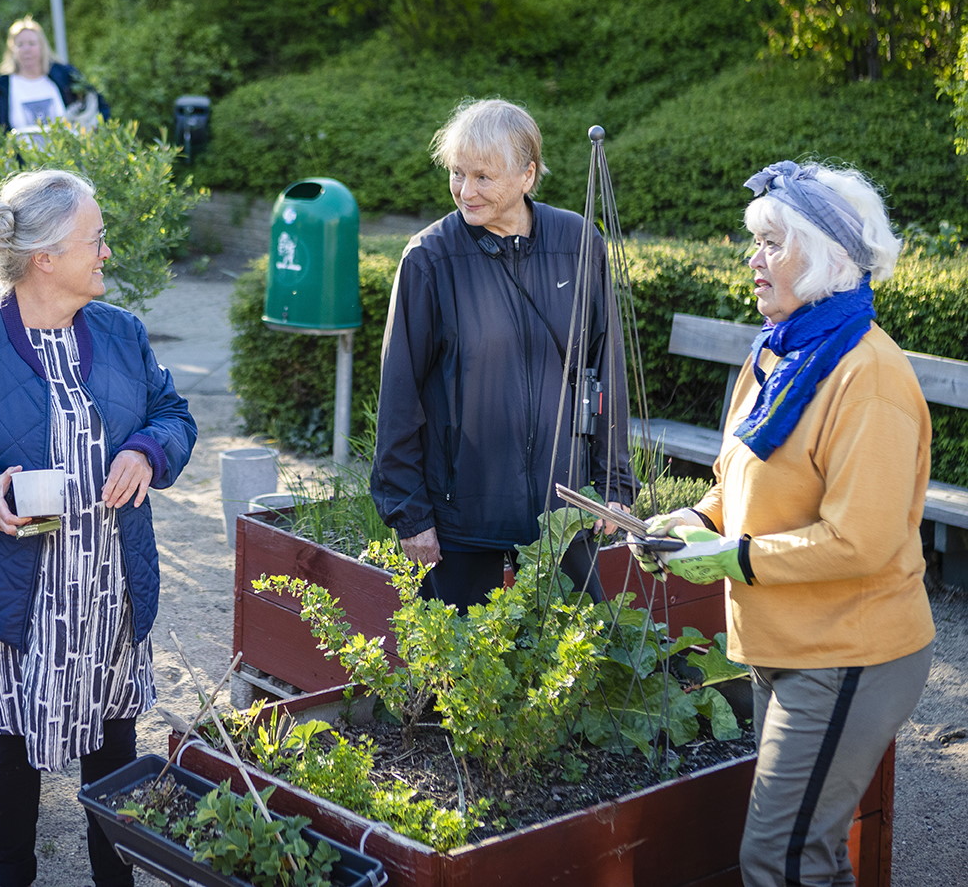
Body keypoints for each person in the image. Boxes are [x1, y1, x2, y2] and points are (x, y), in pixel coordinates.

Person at [0, 169, 196, 887]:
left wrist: (146, 451)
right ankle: (13, 879)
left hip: (109, 585)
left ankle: (112, 879)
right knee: (14, 749)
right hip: (14, 590)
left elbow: (174, 417)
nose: (108, 254)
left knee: (115, 745)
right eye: (97, 240)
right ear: (46, 257)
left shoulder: (121, 333)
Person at [632, 161, 935, 886]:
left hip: (847, 654)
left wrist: (732, 558)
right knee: (809, 852)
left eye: (770, 243)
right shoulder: (782, 350)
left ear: (826, 257)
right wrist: (693, 519)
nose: (752, 259)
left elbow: (862, 541)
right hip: (787, 642)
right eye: (754, 242)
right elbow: (740, 482)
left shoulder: (870, 377)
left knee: (782, 857)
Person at [370, 98, 637, 609]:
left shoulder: (579, 242)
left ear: (527, 174)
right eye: (457, 174)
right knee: (457, 679)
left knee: (575, 672)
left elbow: (605, 369)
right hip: (463, 522)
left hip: (564, 513)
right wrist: (412, 516)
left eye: (484, 177)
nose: (465, 192)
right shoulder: (430, 259)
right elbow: (400, 396)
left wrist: (615, 482)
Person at [0, 16, 110, 143]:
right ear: (12, 49)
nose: (26, 50)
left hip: (66, 160)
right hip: (23, 163)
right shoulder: (2, 87)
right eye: (20, 45)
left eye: (32, 43)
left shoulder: (64, 76)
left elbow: (96, 104)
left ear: (42, 46)